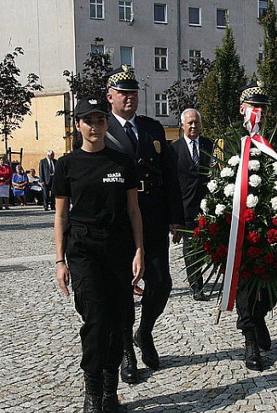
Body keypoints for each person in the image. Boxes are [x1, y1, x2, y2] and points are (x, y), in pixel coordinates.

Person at [53, 97, 144, 413]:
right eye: (88, 120)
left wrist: (139, 251)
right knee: (96, 321)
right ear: (77, 125)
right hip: (84, 250)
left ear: (107, 123)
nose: (95, 126)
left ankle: (110, 392)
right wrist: (60, 261)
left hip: (119, 250)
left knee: (119, 320)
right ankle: (92, 395)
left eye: (100, 120)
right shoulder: (66, 165)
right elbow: (61, 215)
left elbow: (134, 211)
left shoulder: (123, 163)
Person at [104, 65, 184, 383]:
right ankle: (126, 352)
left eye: (134, 93)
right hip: (119, 222)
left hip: (152, 219)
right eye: (123, 93)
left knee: (162, 282)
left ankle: (145, 331)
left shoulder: (152, 128)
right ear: (110, 97)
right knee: (123, 291)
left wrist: (176, 217)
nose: (130, 98)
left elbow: (169, 175)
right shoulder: (102, 128)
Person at [233, 82, 277, 371]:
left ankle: (260, 315)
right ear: (242, 110)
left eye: (262, 108)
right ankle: (250, 341)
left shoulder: (276, 141)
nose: (258, 113)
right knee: (245, 288)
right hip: (240, 230)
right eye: (253, 107)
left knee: (272, 288)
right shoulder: (229, 141)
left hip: (274, 229)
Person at [170, 108, 213, 301]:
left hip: (207, 207)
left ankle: (200, 277)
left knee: (205, 247)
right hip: (184, 208)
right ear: (182, 125)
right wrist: (173, 218)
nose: (193, 126)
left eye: (196, 122)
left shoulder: (209, 146)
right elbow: (170, 183)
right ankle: (197, 286)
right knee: (190, 248)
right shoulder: (174, 149)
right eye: (190, 123)